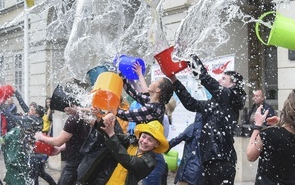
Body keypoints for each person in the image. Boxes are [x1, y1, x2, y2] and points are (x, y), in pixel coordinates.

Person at [167, 54, 246, 185]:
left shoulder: (229, 96)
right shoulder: (214, 103)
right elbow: (191, 104)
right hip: (209, 158)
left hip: (221, 159)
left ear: (233, 84)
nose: (219, 81)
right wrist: (174, 80)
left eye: (224, 79)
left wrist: (191, 57)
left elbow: (205, 78)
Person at [247, 90, 295, 184]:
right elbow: (290, 133)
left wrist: (257, 125)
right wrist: (280, 124)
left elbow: (250, 156)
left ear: (285, 112)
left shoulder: (269, 134)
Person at [99, 113, 169, 185]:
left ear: (157, 144)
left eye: (150, 140)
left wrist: (111, 134)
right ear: (139, 136)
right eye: (144, 136)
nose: (144, 141)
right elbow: (116, 135)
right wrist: (101, 120)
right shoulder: (131, 143)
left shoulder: (150, 161)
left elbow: (128, 161)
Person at [35, 108, 90, 185]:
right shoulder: (86, 117)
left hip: (74, 163)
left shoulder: (73, 119)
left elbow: (58, 141)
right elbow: (76, 139)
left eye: (66, 108)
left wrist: (41, 137)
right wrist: (61, 148)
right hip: (83, 161)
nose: (65, 110)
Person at [169, 112, 203, 185]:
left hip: (189, 170)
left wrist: (165, 148)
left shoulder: (194, 127)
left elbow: (178, 139)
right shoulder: (211, 130)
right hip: (202, 171)